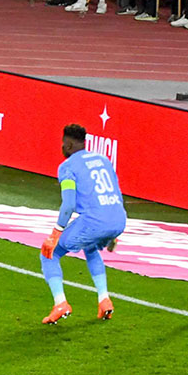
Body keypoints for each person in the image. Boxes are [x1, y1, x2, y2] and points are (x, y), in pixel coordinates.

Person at [40, 123, 126, 324]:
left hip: (95, 221)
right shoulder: (103, 160)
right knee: (90, 246)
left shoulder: (67, 167)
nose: (62, 147)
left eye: (63, 144)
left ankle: (60, 303)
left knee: (49, 254)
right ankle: (104, 300)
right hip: (118, 218)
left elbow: (69, 204)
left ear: (69, 145)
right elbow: (116, 193)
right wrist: (113, 234)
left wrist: (55, 234)